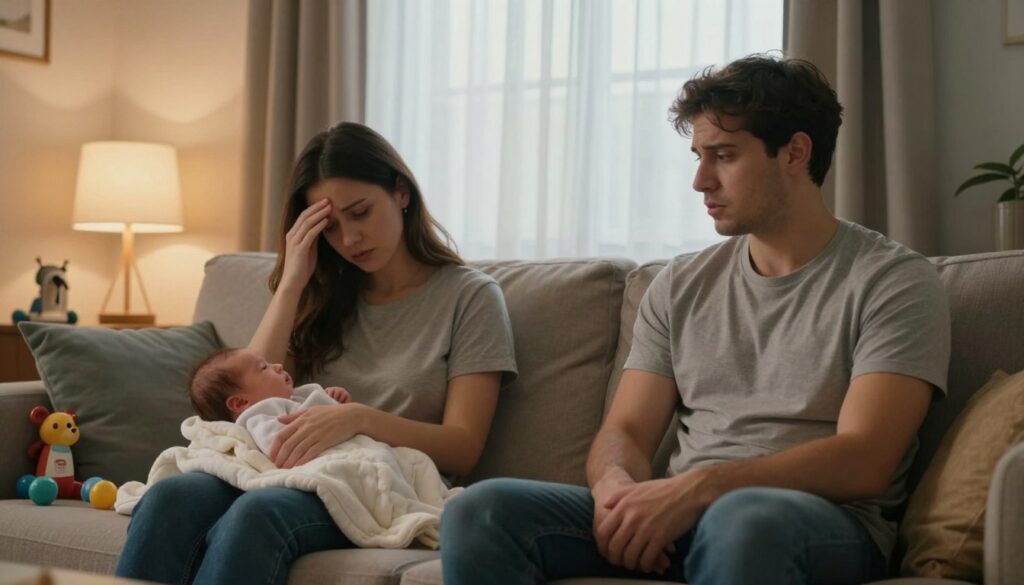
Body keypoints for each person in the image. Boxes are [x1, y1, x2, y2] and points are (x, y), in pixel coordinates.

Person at [440, 54, 951, 584]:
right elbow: (627, 431)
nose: (700, 181)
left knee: (743, 520)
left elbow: (865, 458)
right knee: (481, 510)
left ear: (796, 153)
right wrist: (617, 488)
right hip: (682, 515)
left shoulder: (894, 281)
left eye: (723, 156)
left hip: (813, 525)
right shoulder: (681, 285)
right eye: (698, 156)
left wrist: (704, 487)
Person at [116, 122, 518, 585]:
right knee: (170, 498)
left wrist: (358, 418)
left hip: (378, 486)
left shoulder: (471, 298)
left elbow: (464, 446)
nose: (349, 240)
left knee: (257, 514)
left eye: (361, 213)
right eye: (331, 228)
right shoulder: (324, 292)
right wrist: (292, 281)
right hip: (282, 471)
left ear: (401, 193)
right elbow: (246, 397)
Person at [187, 347, 352, 456]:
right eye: (264, 368)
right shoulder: (259, 416)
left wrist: (333, 398)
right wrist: (324, 405)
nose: (279, 365)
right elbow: (279, 447)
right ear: (240, 403)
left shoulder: (296, 397)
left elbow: (338, 421)